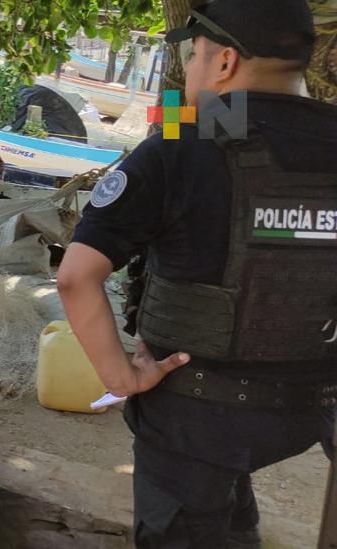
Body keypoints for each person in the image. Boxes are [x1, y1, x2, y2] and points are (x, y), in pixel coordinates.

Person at [56, 1, 337, 547]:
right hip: (316, 403)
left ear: (226, 60)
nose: (191, 72)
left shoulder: (182, 146)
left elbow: (76, 276)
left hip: (196, 408)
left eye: (195, 56)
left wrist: (121, 377)